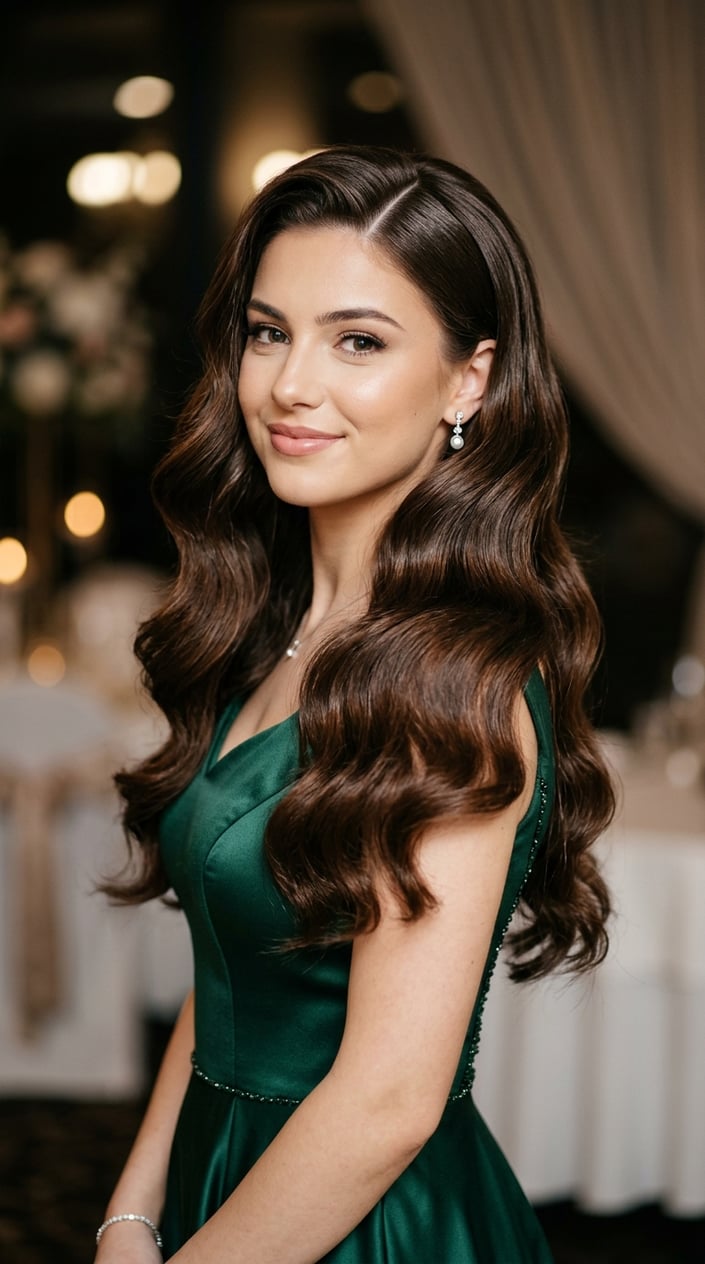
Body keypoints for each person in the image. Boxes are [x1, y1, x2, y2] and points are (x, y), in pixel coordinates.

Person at [95, 146, 614, 1263]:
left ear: (469, 380)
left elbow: (386, 1104)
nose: (290, 384)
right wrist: (131, 1212)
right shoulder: (272, 628)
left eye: (359, 341)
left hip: (364, 1222)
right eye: (268, 331)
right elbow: (230, 974)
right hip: (226, 1183)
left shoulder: (453, 683)